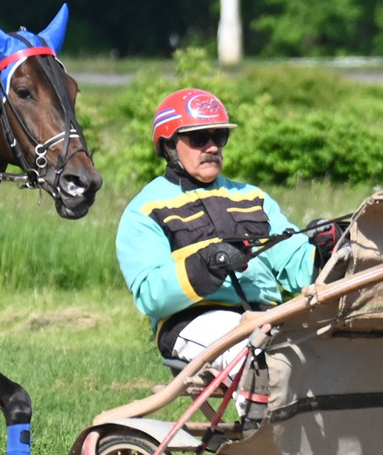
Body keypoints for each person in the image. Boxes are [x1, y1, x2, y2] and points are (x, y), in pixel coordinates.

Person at [116, 88, 321, 369]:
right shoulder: (145, 211)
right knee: (264, 361)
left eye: (219, 136)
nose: (212, 147)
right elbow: (151, 295)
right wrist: (206, 265)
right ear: (168, 145)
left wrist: (323, 252)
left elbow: (292, 258)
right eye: (199, 138)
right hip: (194, 319)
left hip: (267, 316)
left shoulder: (252, 197)